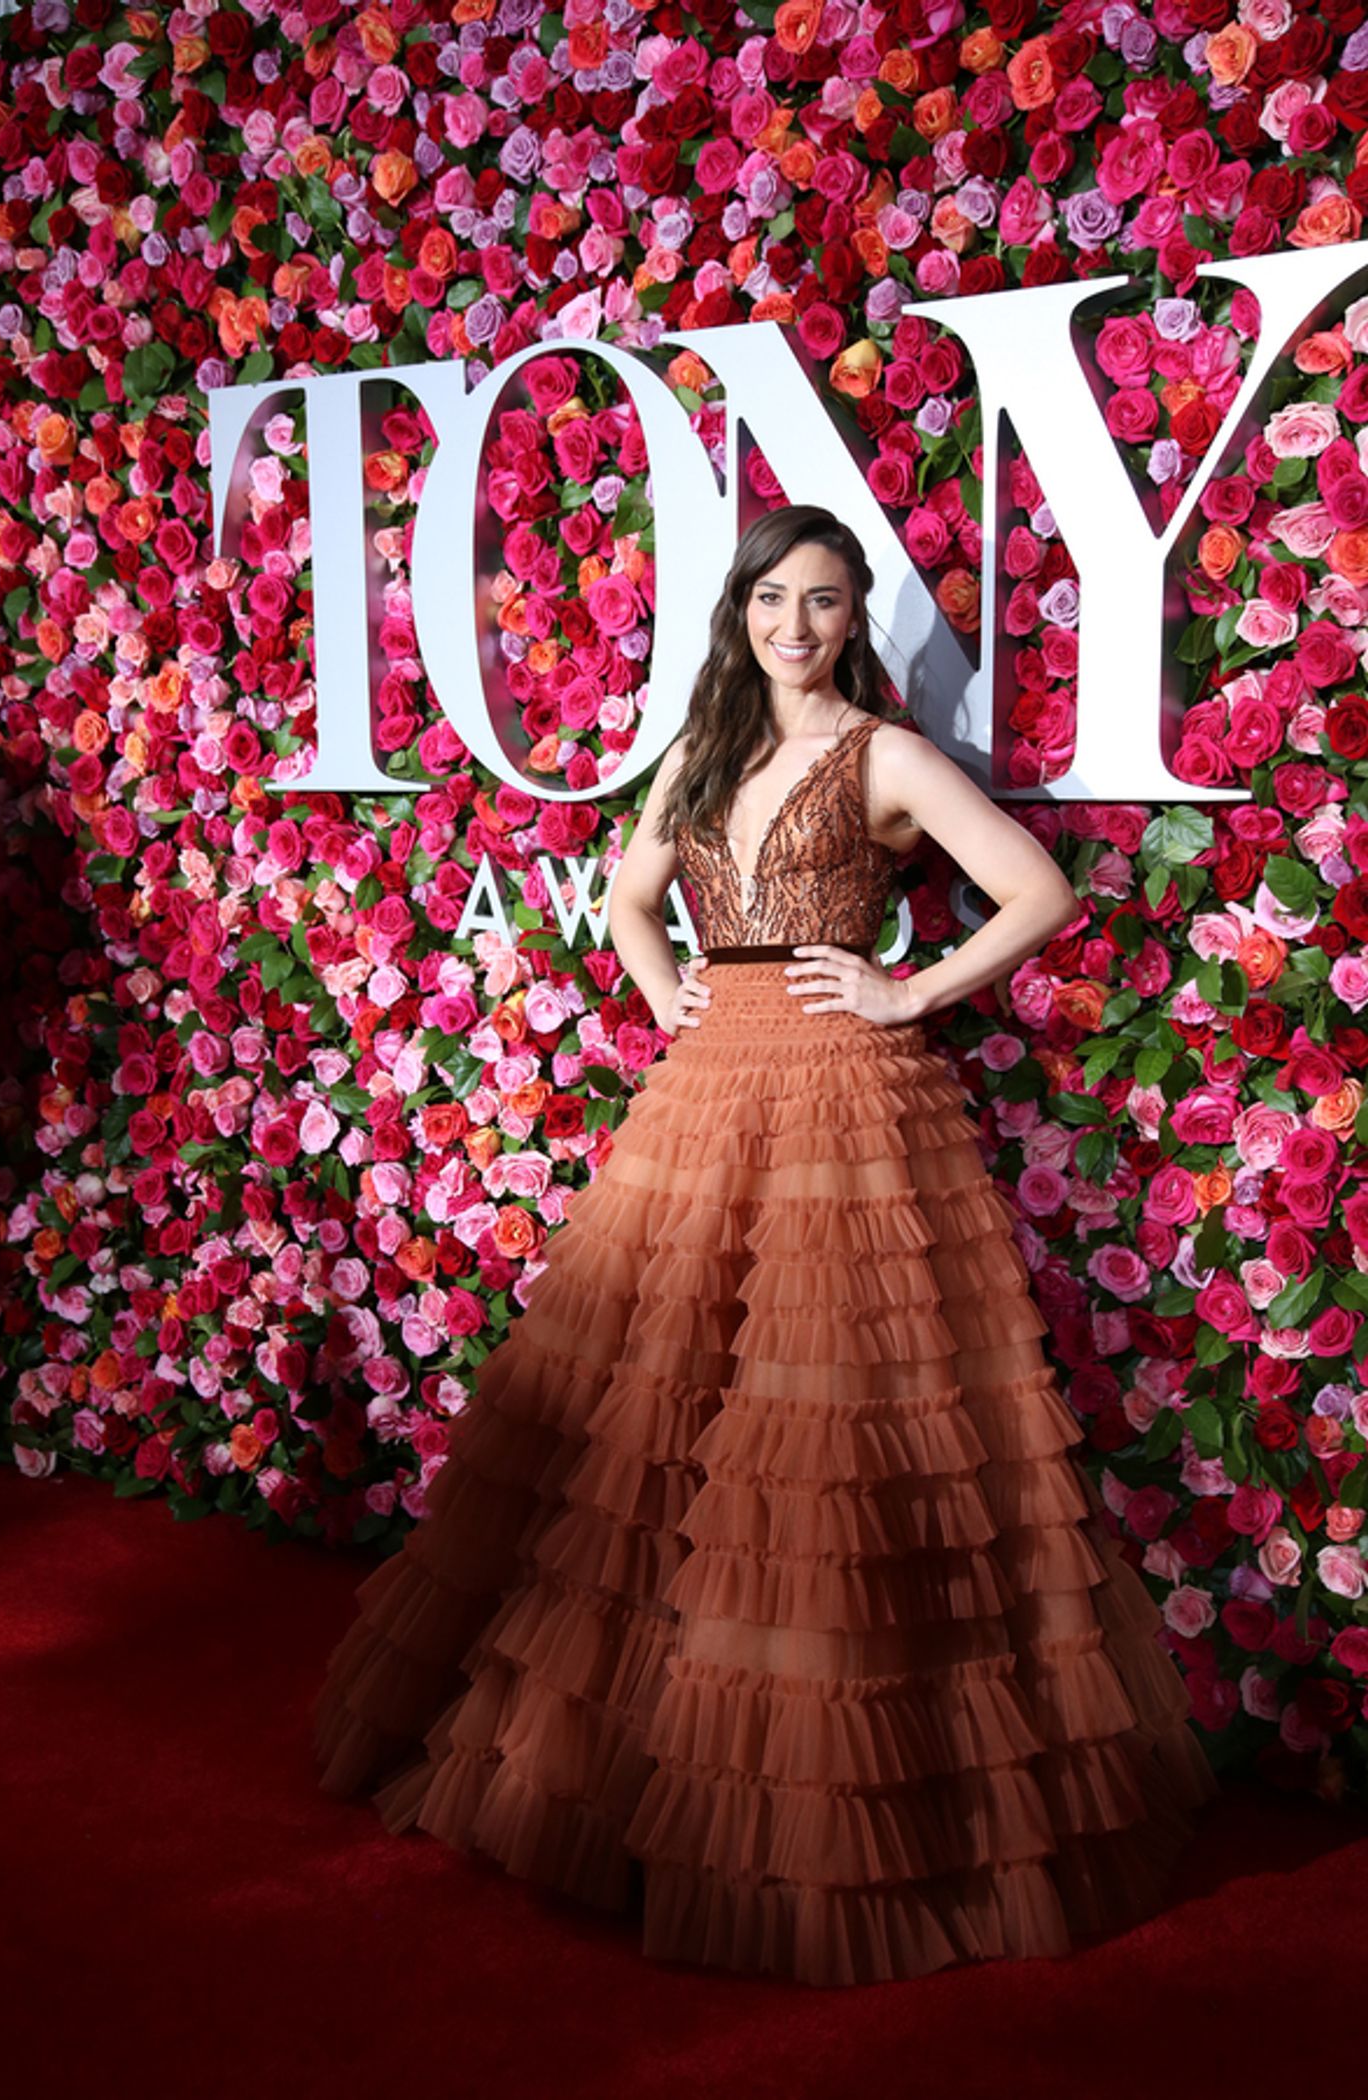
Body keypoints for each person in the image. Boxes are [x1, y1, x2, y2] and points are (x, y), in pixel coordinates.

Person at [312, 503, 1217, 1988]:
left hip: (844, 1110)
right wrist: (665, 984)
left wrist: (910, 991)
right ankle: (636, 1768)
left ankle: (829, 1793)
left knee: (822, 1437)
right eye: (772, 601)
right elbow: (626, 897)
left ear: (855, 618)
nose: (796, 627)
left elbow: (1043, 892)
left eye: (824, 602)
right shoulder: (705, 752)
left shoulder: (886, 755)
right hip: (707, 1088)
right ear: (739, 613)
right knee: (650, 1422)